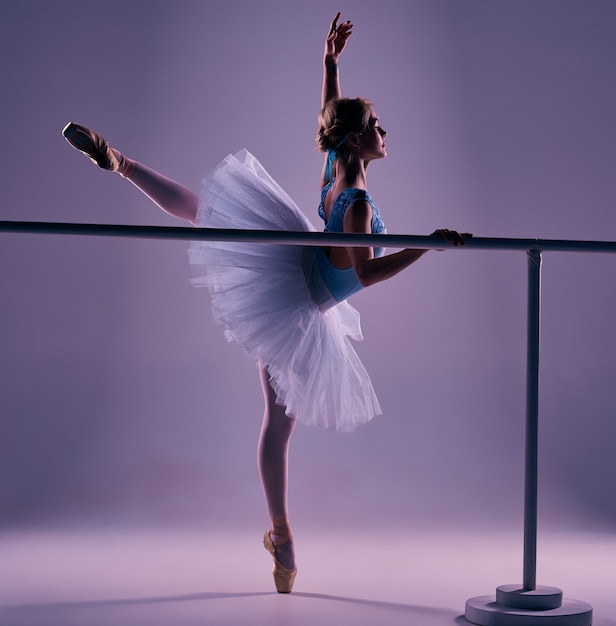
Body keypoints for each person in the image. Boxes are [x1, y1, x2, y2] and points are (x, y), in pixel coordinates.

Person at [62, 13, 469, 594]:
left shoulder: (337, 168)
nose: (385, 131)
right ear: (357, 140)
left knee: (206, 212)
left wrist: (330, 63)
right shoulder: (354, 202)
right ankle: (279, 534)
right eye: (377, 125)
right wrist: (427, 246)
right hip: (299, 303)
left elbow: (330, 121)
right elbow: (369, 273)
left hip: (291, 265)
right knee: (277, 430)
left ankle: (121, 163)